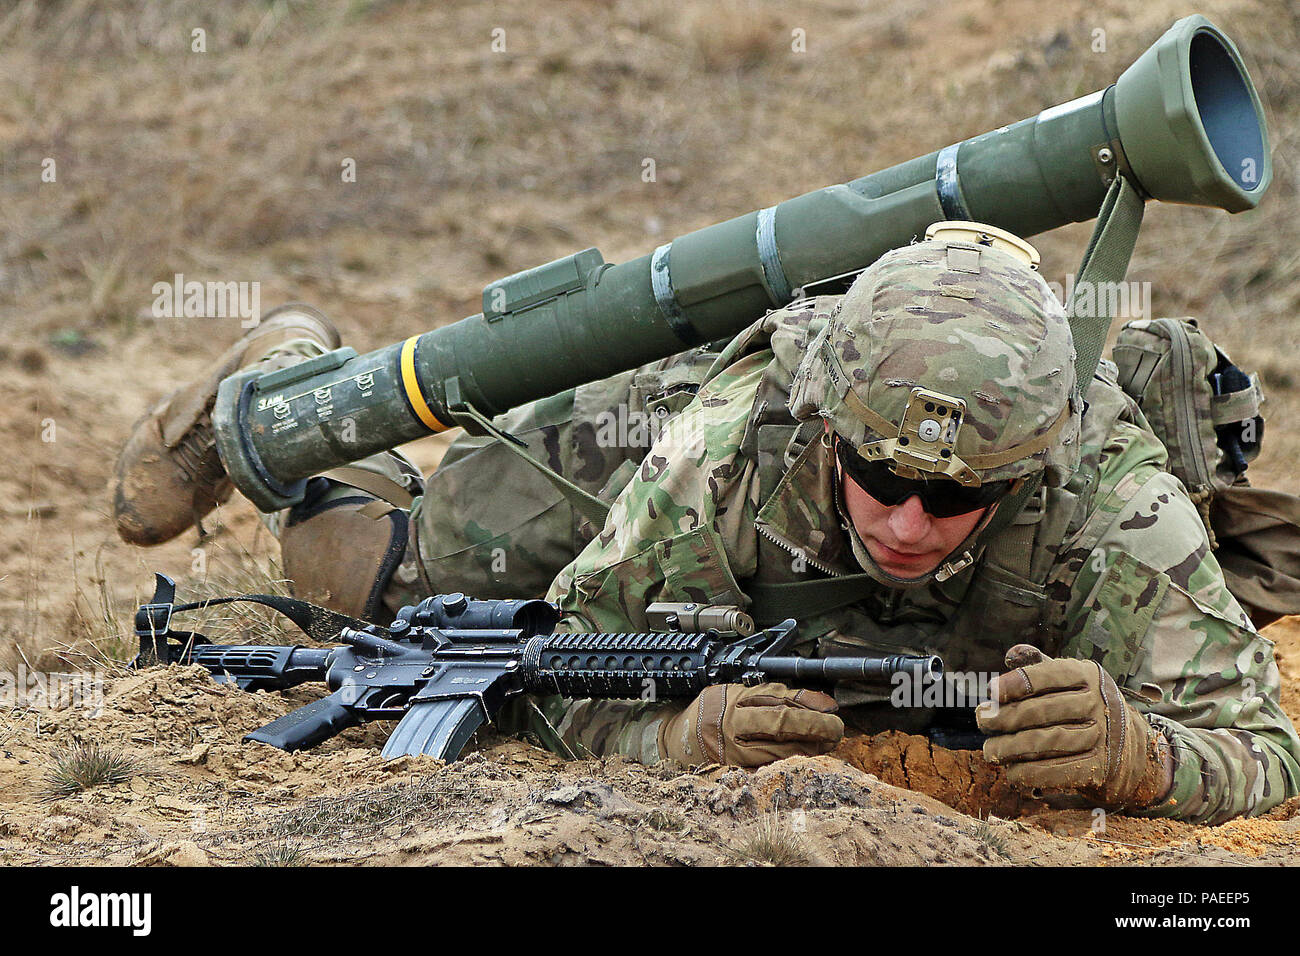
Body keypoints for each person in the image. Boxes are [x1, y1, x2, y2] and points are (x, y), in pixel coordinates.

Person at [112, 225, 1300, 825]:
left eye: (956, 499)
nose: (904, 519)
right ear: (829, 426)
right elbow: (547, 671)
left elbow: (1263, 748)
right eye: (876, 474)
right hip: (643, 441)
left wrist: (1143, 758)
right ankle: (281, 379)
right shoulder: (732, 443)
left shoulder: (1110, 497)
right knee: (367, 573)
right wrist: (674, 741)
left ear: (1028, 476)